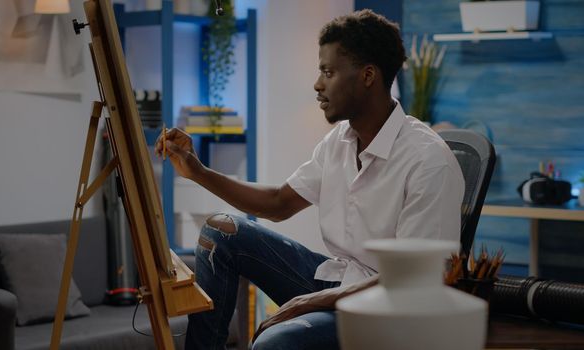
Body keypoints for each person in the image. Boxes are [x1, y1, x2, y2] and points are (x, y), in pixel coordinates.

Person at [155, 9, 464, 350]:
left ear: (368, 75)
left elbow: (413, 279)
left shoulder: (428, 160)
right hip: (337, 281)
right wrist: (198, 172)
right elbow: (278, 203)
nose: (318, 84)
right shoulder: (339, 141)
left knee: (274, 343)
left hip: (385, 311)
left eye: (328, 72)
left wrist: (307, 303)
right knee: (220, 232)